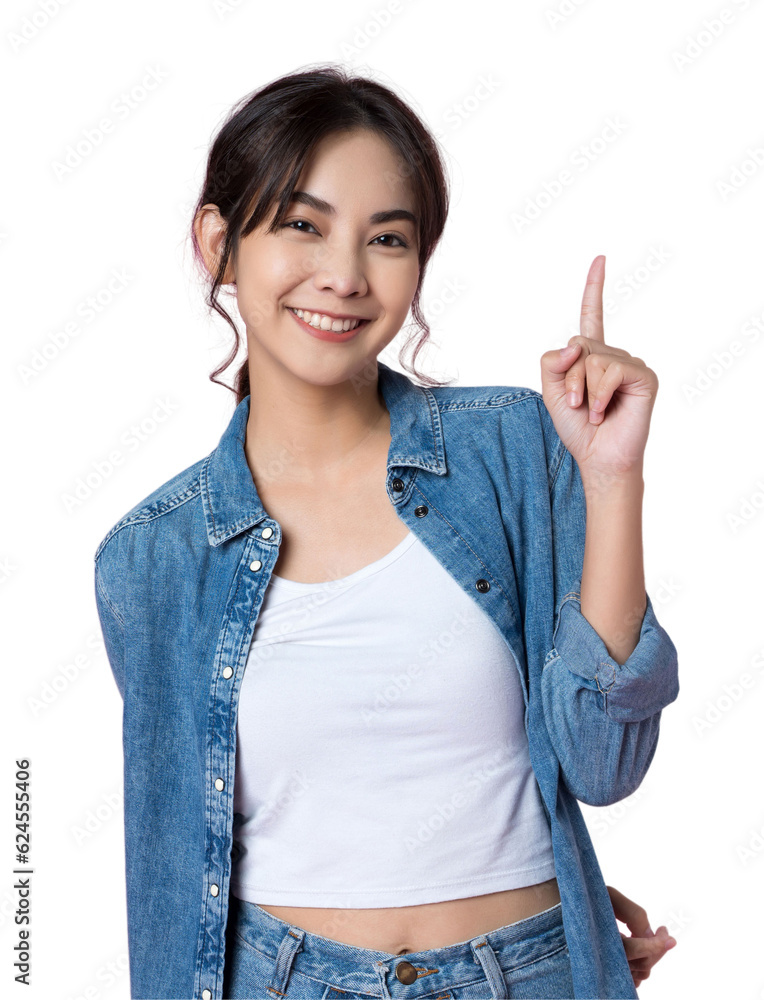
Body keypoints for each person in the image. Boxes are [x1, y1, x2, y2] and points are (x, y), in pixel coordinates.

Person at [94, 65, 679, 1000]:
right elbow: (177, 868)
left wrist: (610, 481)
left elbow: (603, 765)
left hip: (526, 972)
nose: (345, 275)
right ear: (219, 243)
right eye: (301, 223)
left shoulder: (513, 449)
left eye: (388, 238)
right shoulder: (154, 557)